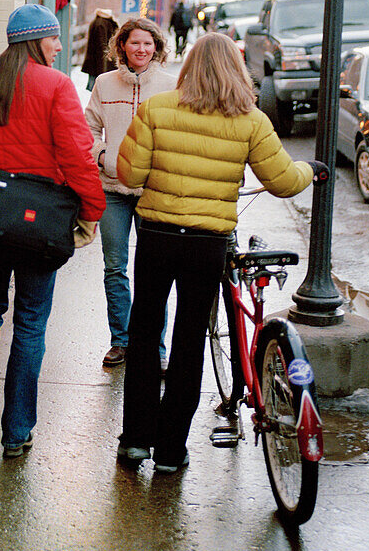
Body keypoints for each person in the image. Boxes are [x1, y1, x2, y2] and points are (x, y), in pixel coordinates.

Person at [115, 32, 327, 474]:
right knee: (190, 341)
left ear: (189, 66)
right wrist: (313, 169)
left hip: (156, 235)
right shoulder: (249, 120)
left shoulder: (157, 108)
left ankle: (135, 441)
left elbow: (129, 173)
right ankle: (171, 451)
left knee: (144, 333)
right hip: (206, 245)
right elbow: (283, 181)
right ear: (237, 69)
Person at [0, 3, 106, 457]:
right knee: (31, 325)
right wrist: (91, 211)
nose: (59, 46)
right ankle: (16, 434)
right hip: (43, 229)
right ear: (37, 40)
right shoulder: (56, 87)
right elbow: (77, 158)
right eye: (54, 38)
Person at [84, 17, 175, 369]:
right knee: (114, 267)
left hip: (154, 190)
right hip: (113, 190)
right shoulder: (105, 84)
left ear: (157, 48)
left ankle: (156, 347)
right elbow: (87, 129)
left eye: (148, 44)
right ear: (122, 45)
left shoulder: (170, 85)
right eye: (135, 43)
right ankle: (120, 340)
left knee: (155, 270)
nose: (141, 49)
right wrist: (103, 155)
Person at [81, 8, 118, 91]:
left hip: (96, 62)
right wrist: (103, 68)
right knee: (99, 88)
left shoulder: (98, 22)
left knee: (96, 88)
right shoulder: (102, 24)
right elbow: (101, 46)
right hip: (101, 62)